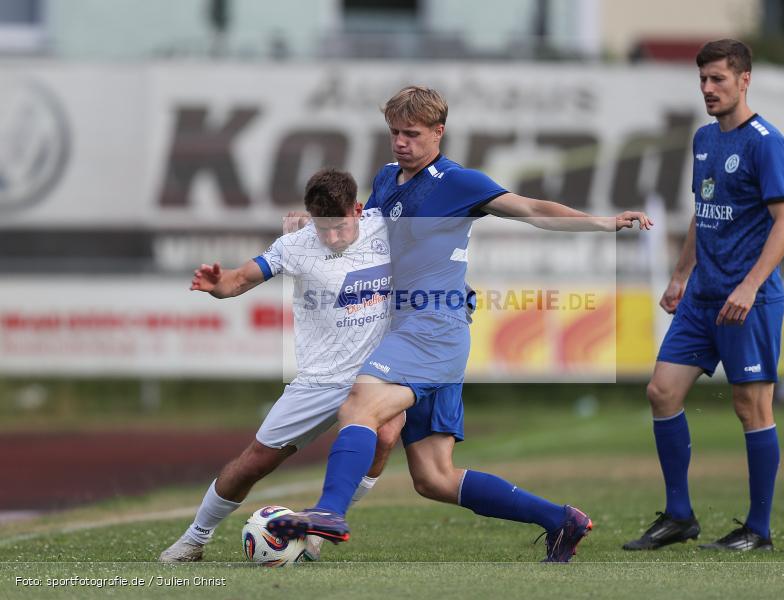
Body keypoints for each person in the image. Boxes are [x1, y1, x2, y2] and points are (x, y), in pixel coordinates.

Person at [267, 85, 653, 563]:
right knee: (434, 478)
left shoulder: (457, 181)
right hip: (407, 329)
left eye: (412, 133)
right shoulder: (387, 178)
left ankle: (328, 513)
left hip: (433, 328)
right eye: (394, 132)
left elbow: (532, 209)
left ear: (439, 132)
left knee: (358, 405)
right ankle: (561, 521)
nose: (400, 142)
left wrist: (604, 223)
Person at [159, 168, 404, 563]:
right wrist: (217, 285)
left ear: (358, 210)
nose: (333, 238)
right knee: (254, 462)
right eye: (324, 230)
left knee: (387, 434)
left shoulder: (384, 227)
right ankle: (193, 539)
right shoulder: (296, 245)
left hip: (375, 375)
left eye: (340, 227)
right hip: (319, 379)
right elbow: (239, 279)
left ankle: (324, 523)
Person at [622, 39, 784, 552]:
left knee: (751, 408)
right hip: (702, 297)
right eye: (702, 79)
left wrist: (750, 285)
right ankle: (680, 516)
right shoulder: (704, 139)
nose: (707, 89)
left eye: (718, 79)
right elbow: (707, 213)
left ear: (744, 80)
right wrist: (680, 274)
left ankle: (758, 530)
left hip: (749, 300)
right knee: (661, 392)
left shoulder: (766, 142)